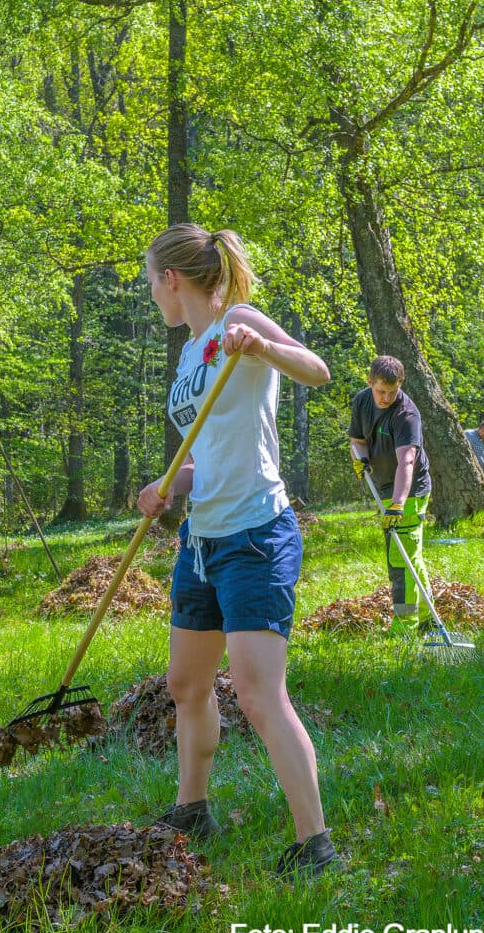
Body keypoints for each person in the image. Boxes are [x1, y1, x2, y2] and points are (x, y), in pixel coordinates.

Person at [136, 223, 338, 879]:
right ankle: (191, 808)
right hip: (202, 540)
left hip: (255, 533)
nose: (152, 295)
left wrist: (261, 347)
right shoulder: (190, 352)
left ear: (172, 279)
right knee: (187, 684)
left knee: (256, 692)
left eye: (151, 282)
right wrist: (170, 486)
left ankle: (316, 846)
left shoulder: (238, 321)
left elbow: (318, 371)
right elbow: (205, 453)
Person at [349, 356, 432, 636]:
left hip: (409, 490)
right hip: (384, 487)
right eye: (381, 391)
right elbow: (357, 441)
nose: (386, 398)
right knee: (409, 553)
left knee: (400, 559)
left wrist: (398, 504)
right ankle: (426, 616)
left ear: (400, 385)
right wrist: (360, 459)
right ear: (370, 381)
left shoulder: (406, 415)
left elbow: (407, 461)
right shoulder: (362, 401)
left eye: (392, 392)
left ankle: (405, 629)